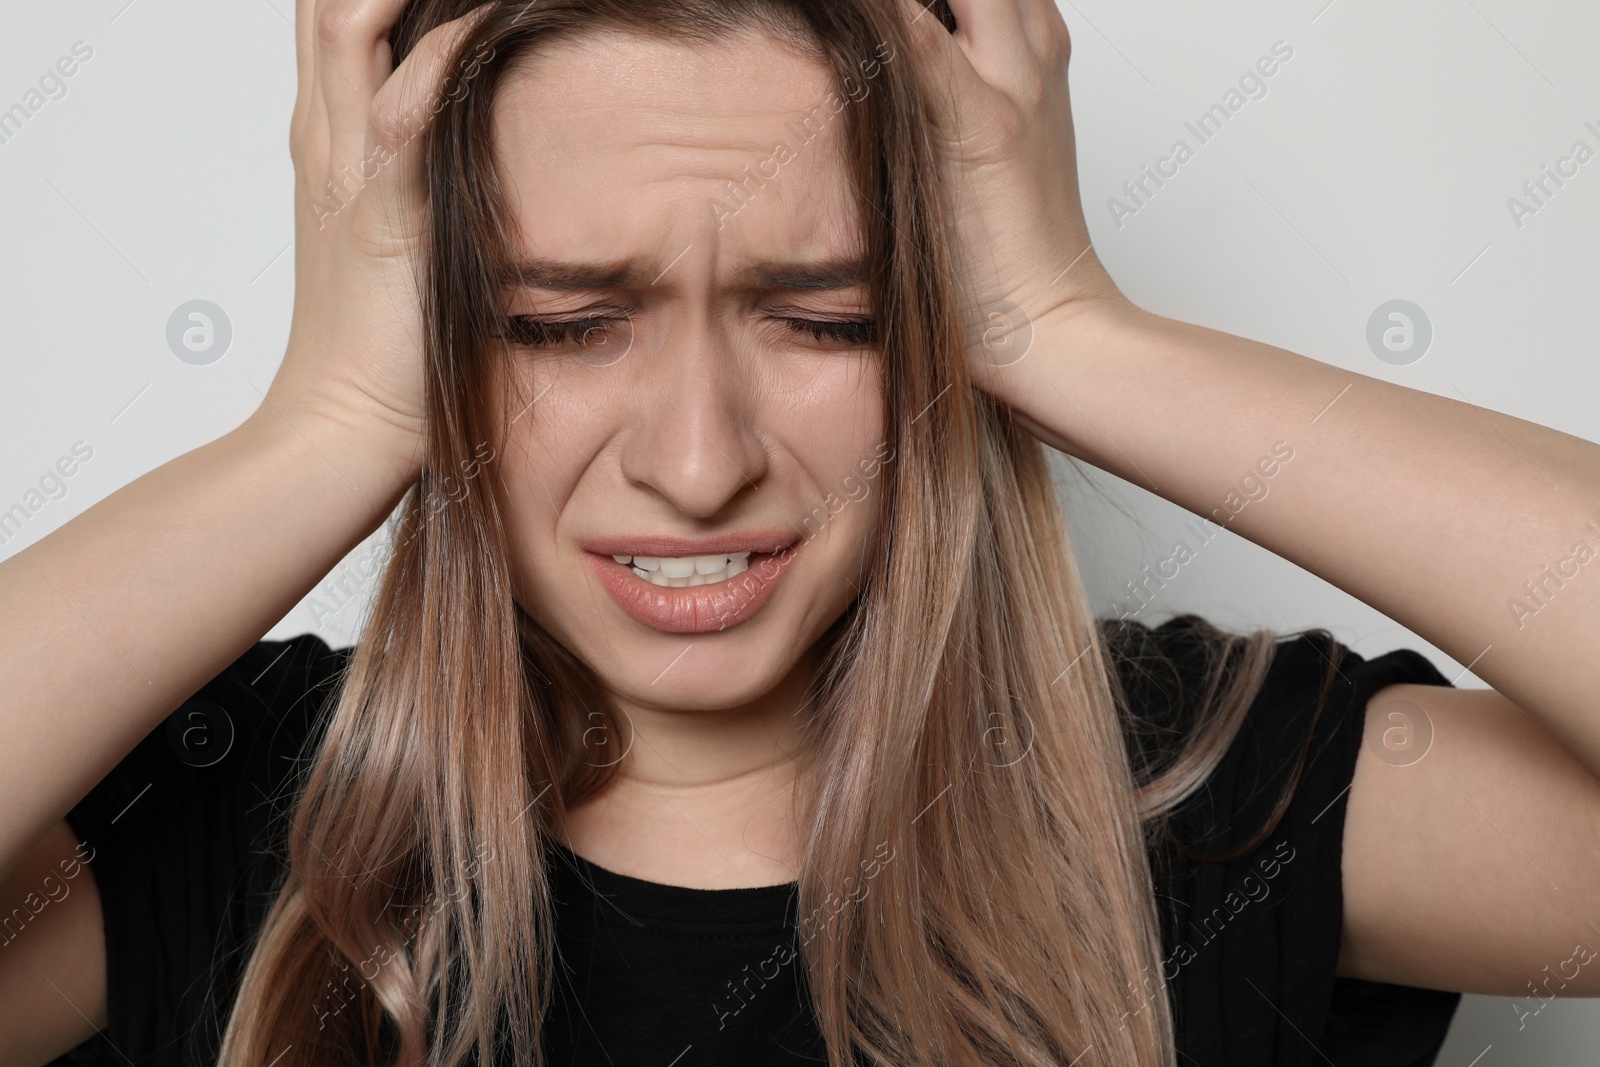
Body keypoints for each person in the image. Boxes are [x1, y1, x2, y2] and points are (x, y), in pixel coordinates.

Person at [2, 0, 1597, 1064]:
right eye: (563, 324)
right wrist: (325, 429)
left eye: (827, 319)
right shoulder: (239, 820)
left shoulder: (1211, 797)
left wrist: (1069, 329)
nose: (700, 466)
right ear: (430, 337)